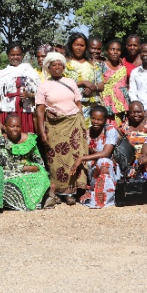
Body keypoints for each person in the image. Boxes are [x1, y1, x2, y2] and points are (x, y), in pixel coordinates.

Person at [35, 51, 87, 205]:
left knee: (74, 157)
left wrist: (81, 123)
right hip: (54, 126)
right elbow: (40, 111)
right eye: (53, 65)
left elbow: (78, 103)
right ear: (48, 67)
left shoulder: (71, 82)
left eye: (59, 64)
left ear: (63, 66)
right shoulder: (43, 86)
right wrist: (42, 131)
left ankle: (71, 192)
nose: (57, 67)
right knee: (55, 159)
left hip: (73, 126)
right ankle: (57, 191)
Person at [0, 114, 54, 211]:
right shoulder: (0, 141)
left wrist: (32, 168)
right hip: (9, 173)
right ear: (5, 127)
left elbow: (39, 162)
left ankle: (33, 202)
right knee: (7, 185)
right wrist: (26, 168)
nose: (15, 129)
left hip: (29, 171)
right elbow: (6, 164)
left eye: (18, 126)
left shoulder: (30, 140)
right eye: (12, 126)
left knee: (41, 176)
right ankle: (19, 203)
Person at [73, 105, 122, 208]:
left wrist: (82, 158)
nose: (95, 122)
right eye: (93, 118)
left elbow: (106, 153)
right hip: (92, 164)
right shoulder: (88, 132)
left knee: (103, 162)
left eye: (99, 119)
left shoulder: (110, 130)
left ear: (105, 120)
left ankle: (103, 198)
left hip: (107, 165)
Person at [0, 43, 40, 133]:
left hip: (24, 110)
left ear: (22, 55)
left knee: (25, 135)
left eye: (18, 55)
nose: (15, 57)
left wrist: (28, 94)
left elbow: (39, 93)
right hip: (7, 110)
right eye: (12, 55)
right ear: (8, 55)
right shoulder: (2, 73)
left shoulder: (30, 72)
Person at [64, 32, 102, 124]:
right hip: (71, 107)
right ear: (71, 45)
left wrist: (92, 88)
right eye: (76, 45)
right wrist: (82, 83)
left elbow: (101, 85)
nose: (79, 48)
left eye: (82, 45)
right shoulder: (64, 64)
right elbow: (61, 85)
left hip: (91, 109)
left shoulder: (93, 64)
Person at [98, 39, 131, 121]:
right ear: (107, 51)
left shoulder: (123, 67)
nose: (115, 52)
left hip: (122, 105)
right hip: (106, 103)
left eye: (118, 50)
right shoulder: (101, 66)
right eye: (112, 49)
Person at [117, 100, 147, 174]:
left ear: (144, 112)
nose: (136, 115)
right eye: (132, 112)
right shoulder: (124, 126)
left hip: (146, 156)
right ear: (128, 114)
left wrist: (145, 156)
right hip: (128, 158)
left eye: (139, 112)